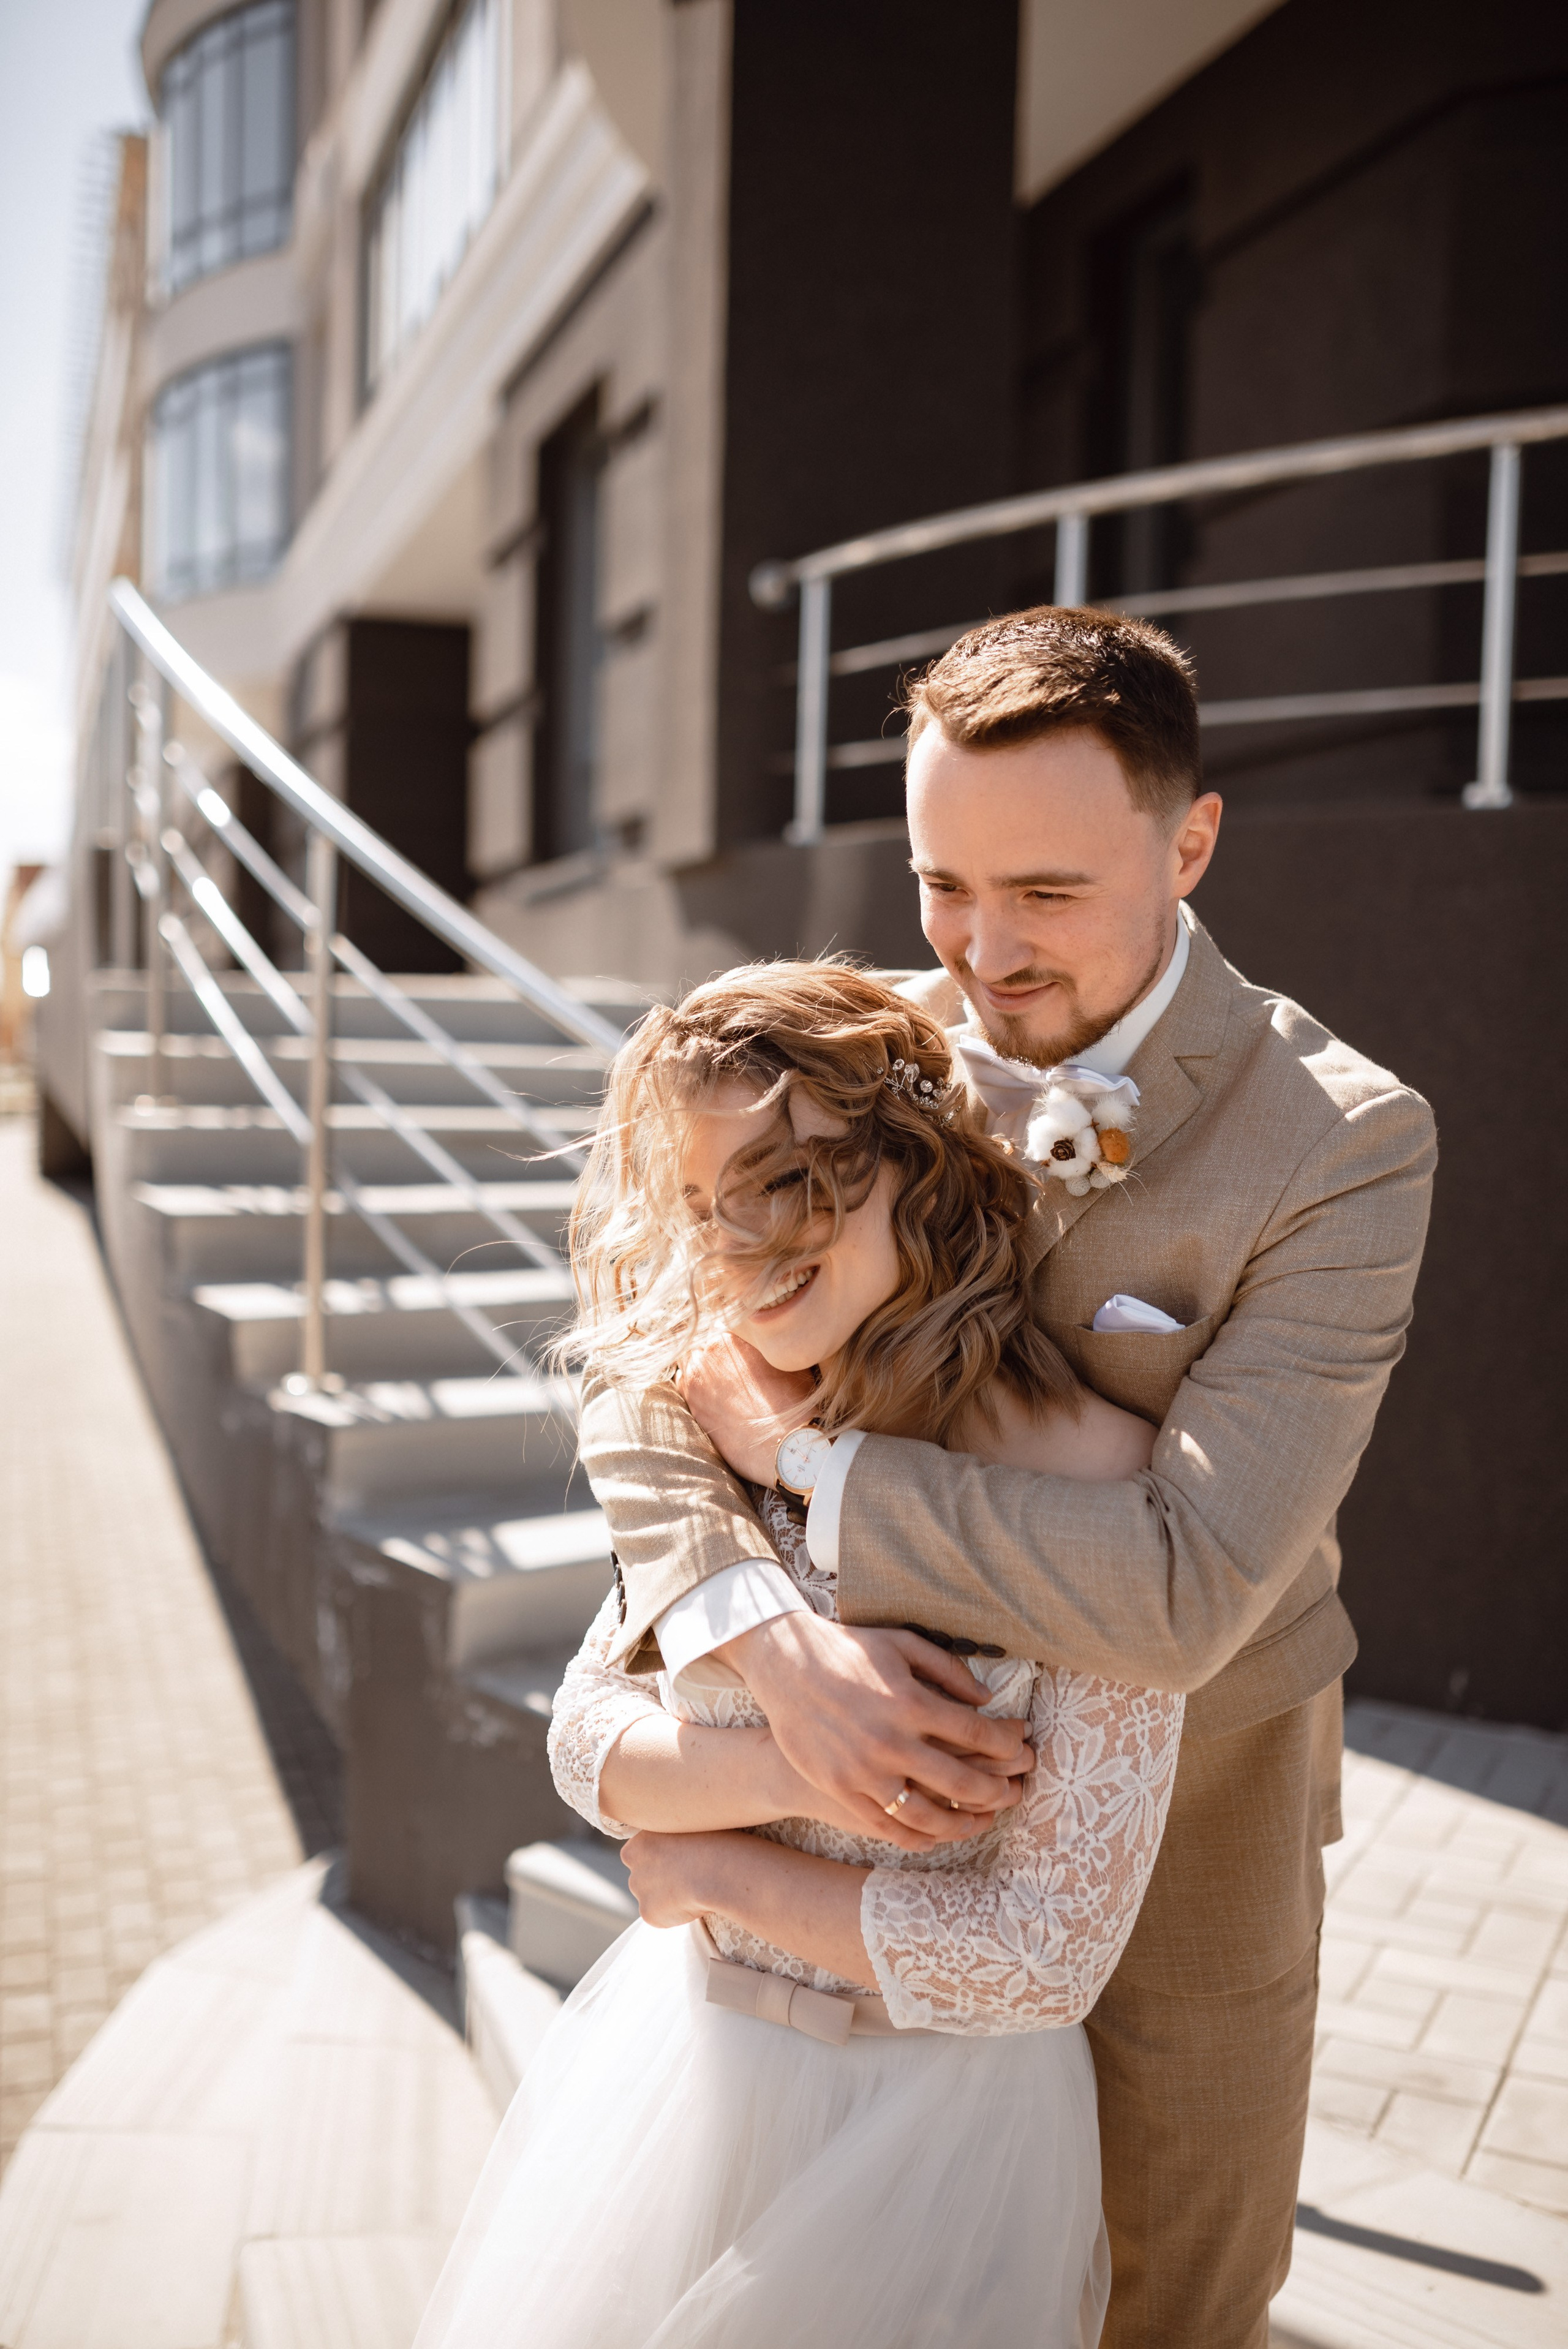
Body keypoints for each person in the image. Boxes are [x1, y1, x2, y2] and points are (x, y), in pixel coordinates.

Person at [579, 607, 1438, 2348]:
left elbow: (1192, 1588)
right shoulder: (857, 1046)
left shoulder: (1344, 1141)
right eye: (940, 884)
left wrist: (811, 1459)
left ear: (1190, 839)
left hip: (1197, 1816)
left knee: (1180, 2292)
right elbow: (638, 1362)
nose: (979, 949)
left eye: (1043, 891)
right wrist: (768, 1644)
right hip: (851, 1792)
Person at [414, 963, 1185, 2349]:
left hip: (941, 2136)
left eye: (786, 1185)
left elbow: (1044, 1958)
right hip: (690, 2073)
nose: (735, 1247)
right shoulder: (714, 1425)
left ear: (918, 1172)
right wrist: (806, 1753)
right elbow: (588, 1736)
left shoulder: (1094, 1487)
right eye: (706, 1205)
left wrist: (718, 1867)